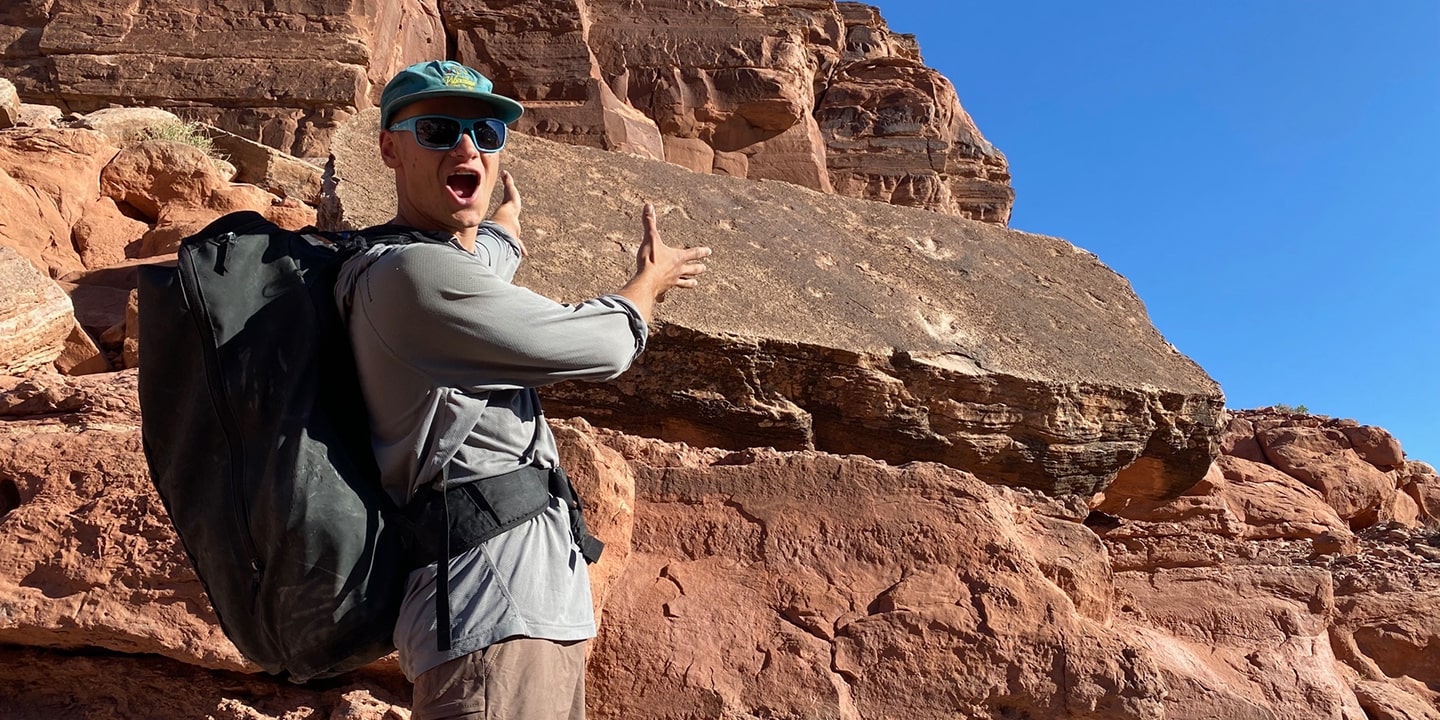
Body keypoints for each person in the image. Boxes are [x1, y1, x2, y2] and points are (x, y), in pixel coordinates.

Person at [335, 60, 710, 720]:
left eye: (485, 131)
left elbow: (473, 270)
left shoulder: (409, 265)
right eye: (438, 129)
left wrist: (504, 228)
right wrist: (645, 285)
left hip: (517, 612)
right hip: (492, 615)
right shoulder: (412, 277)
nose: (467, 147)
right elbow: (598, 346)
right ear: (390, 148)